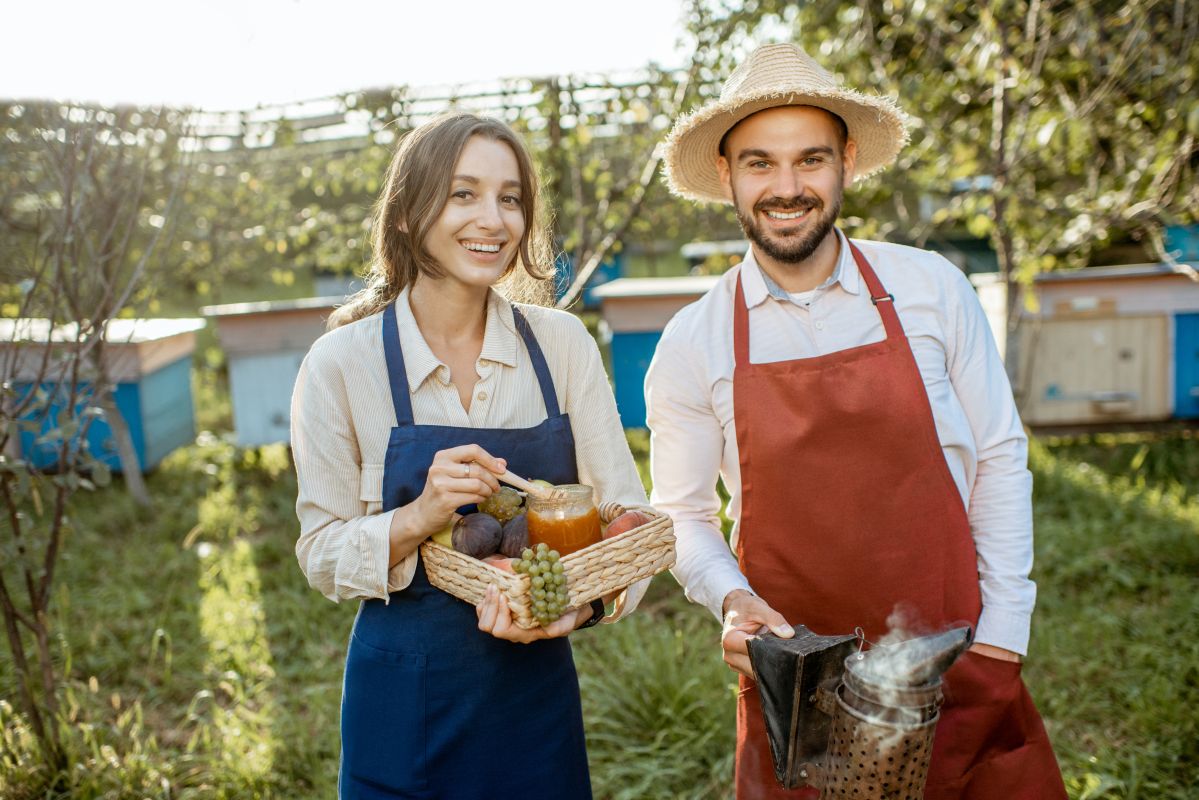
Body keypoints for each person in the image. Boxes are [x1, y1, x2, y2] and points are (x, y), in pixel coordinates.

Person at [645, 44, 1067, 799]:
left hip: (956, 662)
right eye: (758, 163)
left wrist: (1003, 635)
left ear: (845, 160)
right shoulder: (692, 340)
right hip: (796, 692)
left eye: (809, 159)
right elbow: (681, 515)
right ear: (724, 175)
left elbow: (1000, 456)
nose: (786, 188)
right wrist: (729, 596)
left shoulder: (930, 288)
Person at [290, 111, 648, 800]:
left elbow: (624, 520)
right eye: (463, 193)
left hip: (533, 692)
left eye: (510, 198)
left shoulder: (560, 345)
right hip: (403, 697)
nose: (493, 219)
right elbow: (321, 554)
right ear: (405, 213)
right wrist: (421, 513)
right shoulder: (341, 363)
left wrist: (583, 609)